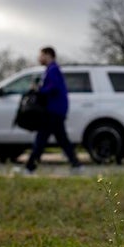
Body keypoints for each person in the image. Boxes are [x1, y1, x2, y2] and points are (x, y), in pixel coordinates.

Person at [22, 46, 82, 175]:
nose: (39, 58)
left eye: (41, 55)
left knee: (41, 139)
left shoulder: (53, 69)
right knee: (61, 139)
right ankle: (76, 164)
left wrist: (38, 90)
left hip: (53, 110)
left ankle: (29, 168)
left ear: (48, 55)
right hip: (56, 110)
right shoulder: (51, 69)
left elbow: (53, 88)